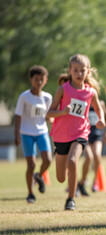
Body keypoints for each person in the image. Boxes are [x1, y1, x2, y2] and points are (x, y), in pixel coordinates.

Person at [47, 54, 105, 210]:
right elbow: (49, 113)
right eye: (76, 70)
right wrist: (62, 113)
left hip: (80, 133)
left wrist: (102, 120)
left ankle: (71, 199)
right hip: (61, 135)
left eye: (82, 70)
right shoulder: (63, 90)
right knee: (60, 178)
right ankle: (68, 181)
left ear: (88, 72)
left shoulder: (91, 92)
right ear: (70, 71)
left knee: (73, 161)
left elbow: (98, 108)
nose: (79, 73)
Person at [14, 65, 53, 203]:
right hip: (26, 133)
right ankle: (30, 193)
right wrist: (17, 134)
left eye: (42, 79)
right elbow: (18, 115)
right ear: (31, 80)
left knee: (48, 159)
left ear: (46, 80)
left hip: (42, 131)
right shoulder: (24, 97)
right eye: (36, 79)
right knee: (31, 164)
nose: (39, 82)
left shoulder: (48, 98)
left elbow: (48, 115)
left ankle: (39, 176)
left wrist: (52, 120)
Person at [77, 100, 106, 196]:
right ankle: (82, 182)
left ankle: (95, 181)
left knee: (97, 156)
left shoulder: (100, 104)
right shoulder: (83, 103)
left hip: (97, 135)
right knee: (89, 157)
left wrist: (105, 129)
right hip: (85, 135)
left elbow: (103, 118)